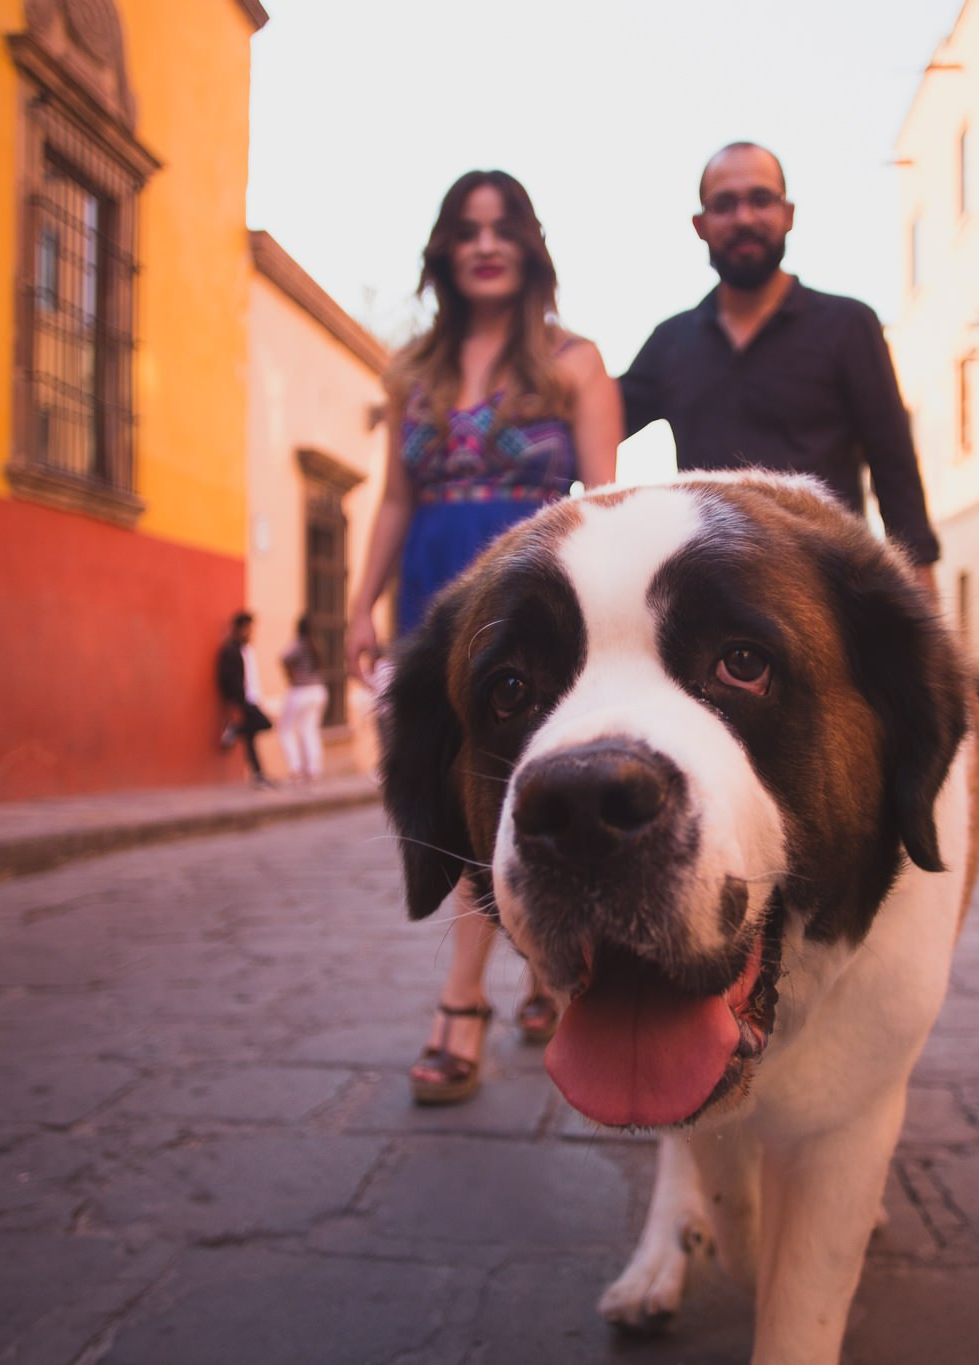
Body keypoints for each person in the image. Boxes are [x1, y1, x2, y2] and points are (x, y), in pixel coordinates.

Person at [345, 169, 620, 1105]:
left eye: (504, 227)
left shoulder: (576, 362)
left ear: (530, 245)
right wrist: (358, 604)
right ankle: (541, 972)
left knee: (500, 785)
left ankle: (461, 1001)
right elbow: (392, 497)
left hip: (528, 603)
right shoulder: (409, 371)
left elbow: (604, 499)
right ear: (445, 250)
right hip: (430, 595)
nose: (486, 243)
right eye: (467, 229)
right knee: (454, 786)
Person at [619, 141, 941, 595]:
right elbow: (596, 419)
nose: (744, 218)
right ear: (700, 225)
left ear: (788, 214)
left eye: (760, 200)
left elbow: (893, 464)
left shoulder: (848, 325)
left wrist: (921, 583)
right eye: (725, 204)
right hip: (711, 593)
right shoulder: (671, 342)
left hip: (827, 591)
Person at [215, 610, 274, 789]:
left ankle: (258, 774)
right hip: (243, 699)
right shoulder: (230, 651)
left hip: (252, 697)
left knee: (251, 739)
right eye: (247, 628)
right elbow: (227, 679)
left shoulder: (247, 649)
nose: (250, 632)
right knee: (265, 724)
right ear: (239, 628)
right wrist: (234, 701)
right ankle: (235, 729)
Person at [274, 614, 328, 782]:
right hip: (318, 691)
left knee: (285, 730)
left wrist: (291, 674)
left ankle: (295, 768)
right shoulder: (317, 645)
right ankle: (313, 769)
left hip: (300, 691)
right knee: (309, 730)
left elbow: (283, 658)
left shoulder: (298, 645)